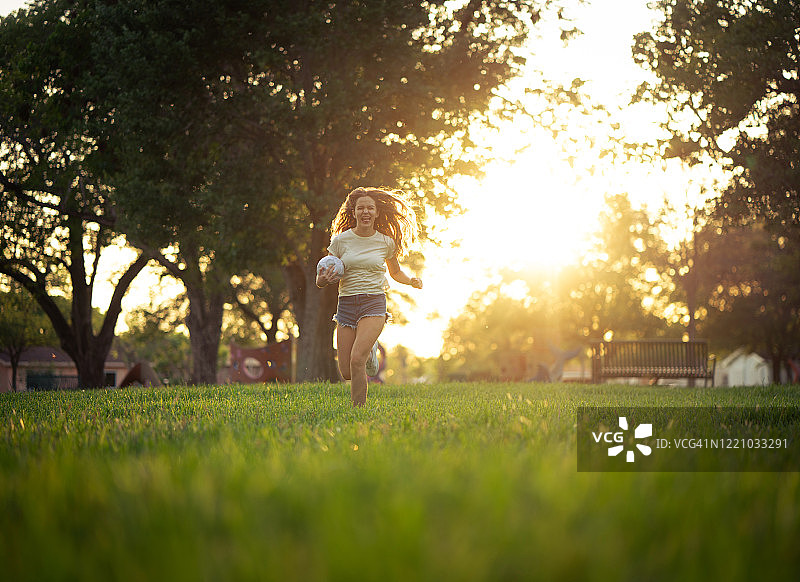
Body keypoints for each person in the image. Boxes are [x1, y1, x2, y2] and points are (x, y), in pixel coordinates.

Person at [316, 187, 423, 406]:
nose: (365, 212)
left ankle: (358, 411)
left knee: (357, 359)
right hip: (346, 305)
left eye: (370, 208)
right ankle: (370, 349)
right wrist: (323, 279)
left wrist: (411, 280)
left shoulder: (386, 242)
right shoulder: (340, 241)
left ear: (376, 212)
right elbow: (321, 276)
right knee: (347, 371)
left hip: (373, 303)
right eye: (361, 208)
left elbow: (395, 272)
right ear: (353, 212)